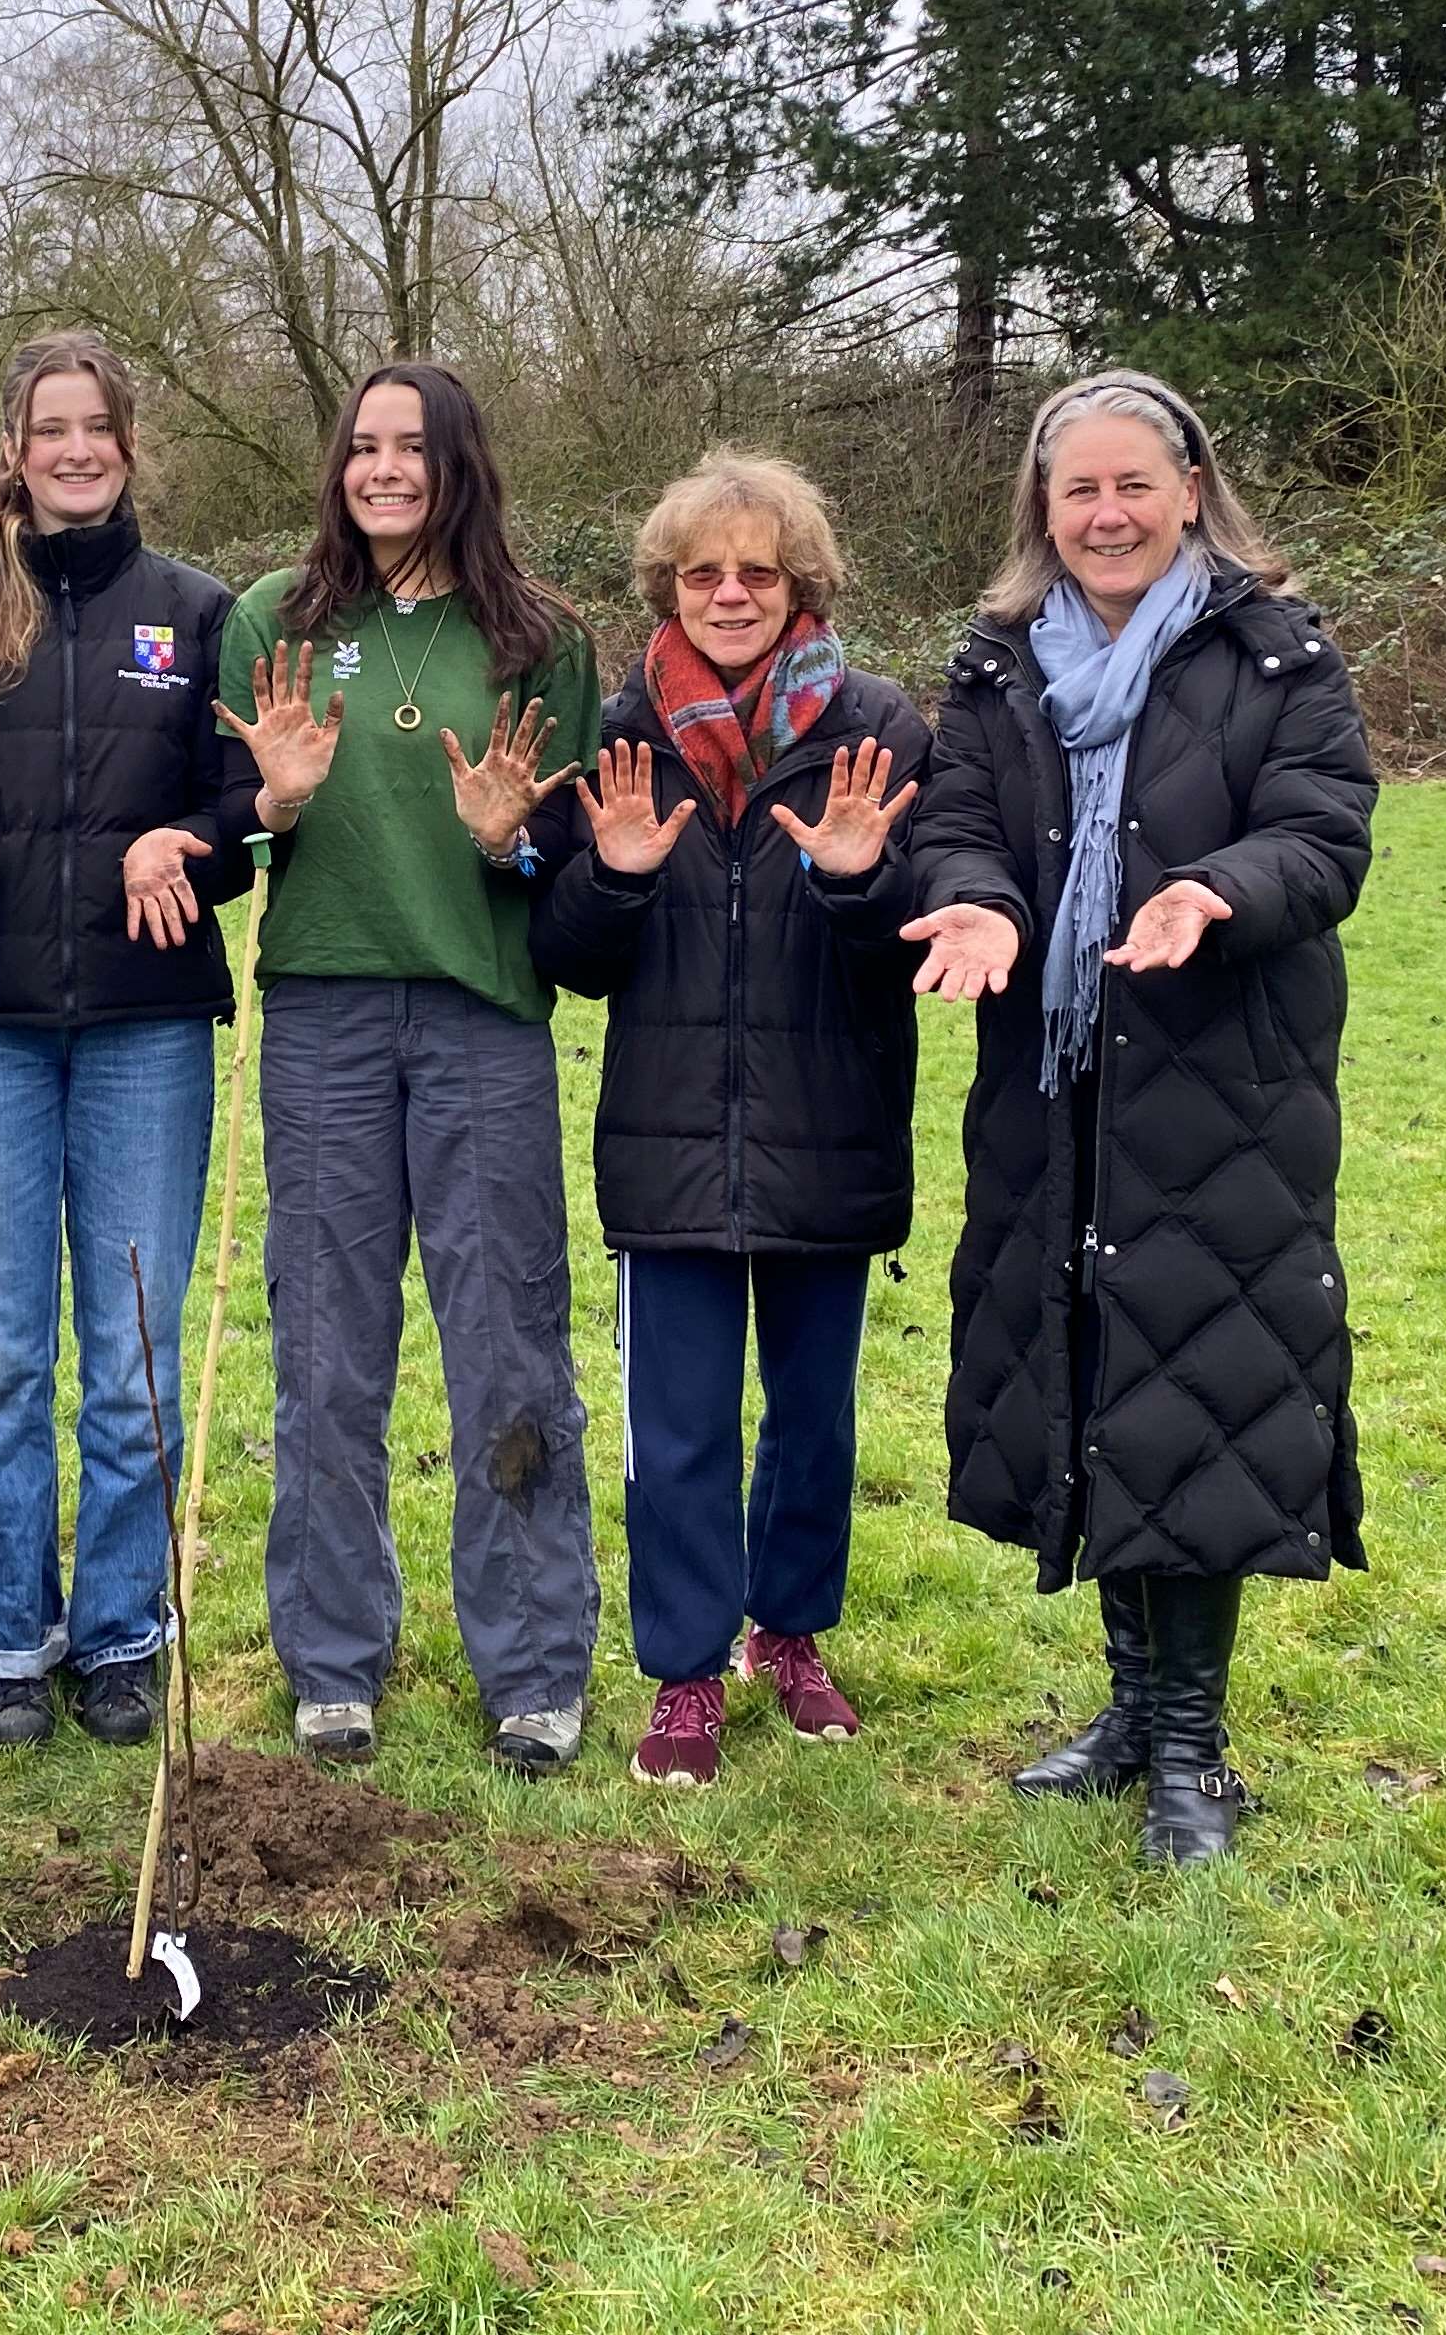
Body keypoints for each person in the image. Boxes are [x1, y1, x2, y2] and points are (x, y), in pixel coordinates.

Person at [899, 370, 1375, 1866]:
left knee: (1202, 1383)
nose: (1106, 515)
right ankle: (1126, 1706)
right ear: (1043, 509)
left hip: (1221, 1075)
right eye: (1076, 490)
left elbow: (1322, 833)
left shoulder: (1279, 658)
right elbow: (960, 824)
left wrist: (1213, 891)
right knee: (1088, 1378)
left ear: (1188, 491)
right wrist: (973, 905)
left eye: (1132, 486)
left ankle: (1193, 1749)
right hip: (1054, 1079)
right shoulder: (996, 671)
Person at [215, 361, 603, 1774]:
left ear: (459, 466)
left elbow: (567, 855)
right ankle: (333, 1661)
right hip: (318, 1015)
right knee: (324, 1349)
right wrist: (274, 800)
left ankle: (536, 1667)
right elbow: (221, 822)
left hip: (479, 1016)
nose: (383, 470)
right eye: (362, 447)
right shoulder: (274, 622)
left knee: (507, 1337)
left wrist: (510, 837)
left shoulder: (541, 638)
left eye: (411, 449)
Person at [0, 332, 260, 1753]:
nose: (78, 450)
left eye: (99, 427)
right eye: (53, 429)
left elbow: (247, 799)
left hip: (149, 1031)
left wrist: (199, 842)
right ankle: (11, 1640)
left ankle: (116, 1634)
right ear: (15, 449)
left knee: (133, 1350)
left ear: (129, 443)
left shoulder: (199, 611)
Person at [528, 453, 930, 1790]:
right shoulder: (618, 734)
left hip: (833, 1126)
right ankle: (687, 1673)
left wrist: (866, 882)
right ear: (669, 586)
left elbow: (908, 943)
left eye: (759, 571)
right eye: (704, 573)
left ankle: (794, 1635)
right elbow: (569, 954)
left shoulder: (879, 730)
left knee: (812, 1419)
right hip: (671, 1138)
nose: (732, 593)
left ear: (800, 582)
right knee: (681, 1427)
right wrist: (620, 880)